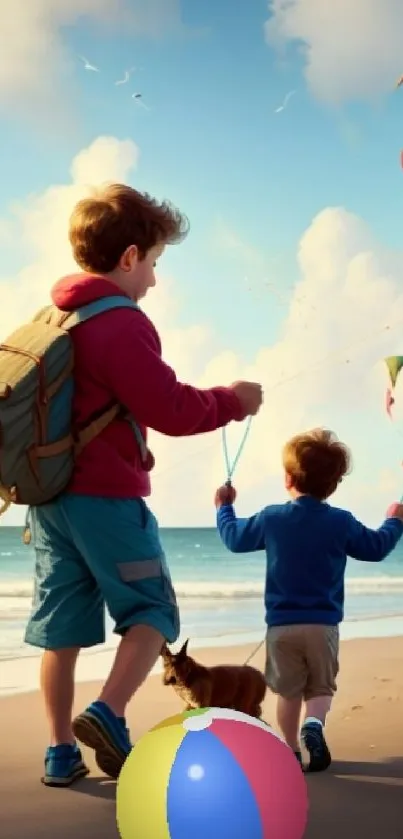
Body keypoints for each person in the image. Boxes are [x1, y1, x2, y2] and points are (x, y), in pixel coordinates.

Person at [24, 183, 263, 786]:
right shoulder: (120, 322)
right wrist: (231, 401)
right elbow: (171, 409)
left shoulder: (53, 317)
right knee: (152, 608)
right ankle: (107, 711)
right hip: (106, 497)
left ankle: (59, 754)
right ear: (129, 257)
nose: (154, 280)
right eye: (153, 263)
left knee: (62, 629)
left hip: (47, 500)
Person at [214, 427, 403, 771]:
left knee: (287, 692)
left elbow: (234, 539)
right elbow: (376, 548)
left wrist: (224, 507)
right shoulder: (340, 521)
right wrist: (394, 522)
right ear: (333, 484)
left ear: (288, 478)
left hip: (281, 627)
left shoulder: (272, 517)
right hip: (323, 624)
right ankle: (313, 725)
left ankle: (290, 750)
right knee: (320, 687)